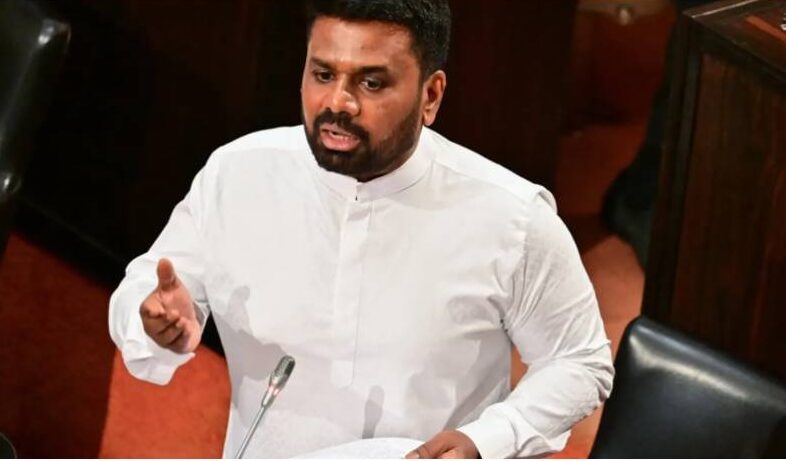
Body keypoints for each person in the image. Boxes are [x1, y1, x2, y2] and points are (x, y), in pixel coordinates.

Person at [109, 0, 614, 458]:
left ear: (431, 95)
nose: (339, 102)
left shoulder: (511, 216)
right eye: (323, 74)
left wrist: (488, 440)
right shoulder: (237, 174)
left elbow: (580, 361)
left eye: (371, 83)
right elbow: (148, 294)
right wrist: (155, 323)